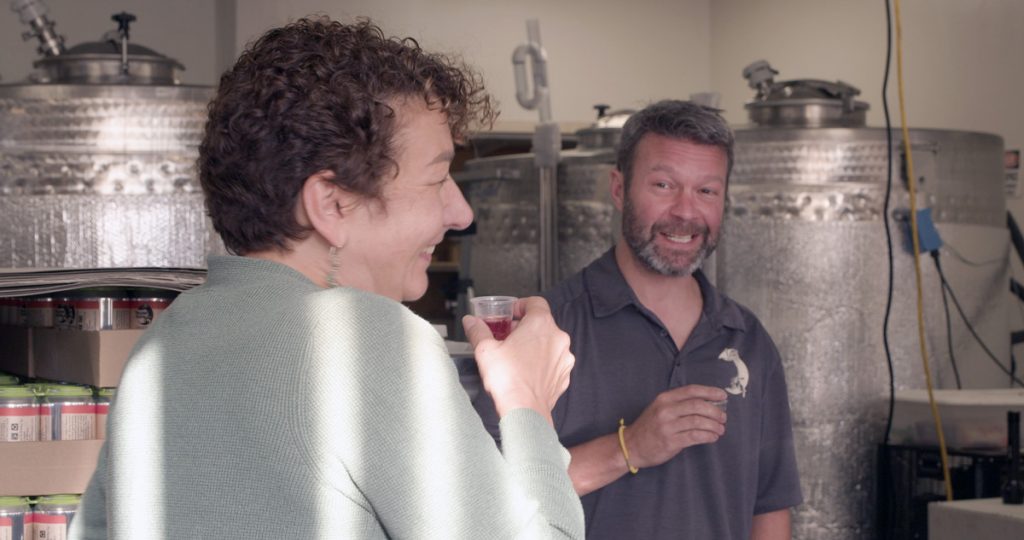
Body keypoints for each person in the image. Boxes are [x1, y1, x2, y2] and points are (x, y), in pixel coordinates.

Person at [70, 17, 583, 539]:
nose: (461, 212)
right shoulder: (363, 340)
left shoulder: (163, 344)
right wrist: (528, 401)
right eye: (437, 178)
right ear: (332, 203)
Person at [475, 100, 802, 539]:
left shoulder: (748, 341)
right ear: (618, 188)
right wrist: (629, 448)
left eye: (707, 190)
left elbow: (769, 507)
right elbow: (485, 497)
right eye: (664, 185)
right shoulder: (547, 330)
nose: (686, 212)